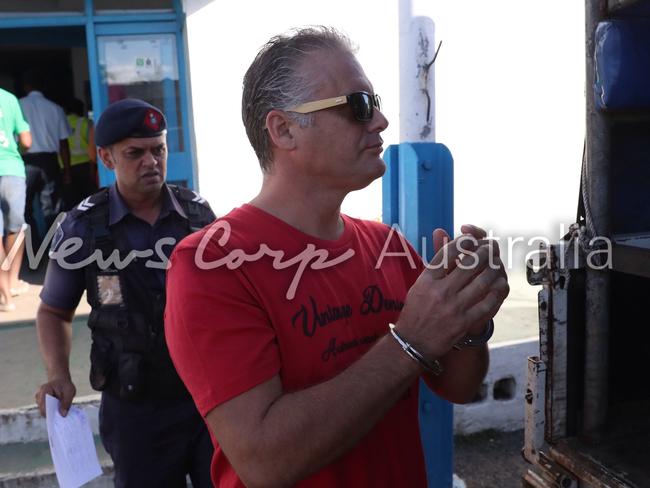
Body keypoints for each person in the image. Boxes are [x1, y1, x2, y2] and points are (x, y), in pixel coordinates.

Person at [165, 27, 510, 488]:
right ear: (284, 129)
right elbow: (265, 460)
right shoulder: (212, 265)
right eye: (358, 106)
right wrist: (411, 341)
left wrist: (469, 317)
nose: (381, 121)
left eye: (376, 102)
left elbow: (459, 387)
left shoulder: (386, 245)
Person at [34, 99, 216, 487]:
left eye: (159, 150)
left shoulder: (198, 217)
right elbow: (53, 312)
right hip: (136, 410)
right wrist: (58, 375)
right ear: (106, 157)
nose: (151, 161)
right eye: (136, 153)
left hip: (207, 400)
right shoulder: (81, 228)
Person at [19, 69, 71, 238]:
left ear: (26, 86)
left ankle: (32, 251)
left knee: (24, 209)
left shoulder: (18, 106)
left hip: (25, 163)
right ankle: (54, 251)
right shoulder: (55, 108)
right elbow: (64, 143)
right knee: (52, 208)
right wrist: (67, 170)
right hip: (50, 161)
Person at [0, 87, 32, 311]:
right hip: (11, 168)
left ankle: (4, 294)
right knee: (16, 228)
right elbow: (27, 141)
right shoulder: (9, 98)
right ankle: (12, 282)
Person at [61, 97, 98, 210]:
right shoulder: (86, 123)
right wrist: (93, 170)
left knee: (71, 204)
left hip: (64, 168)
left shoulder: (60, 123)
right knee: (89, 202)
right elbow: (92, 148)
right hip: (85, 166)